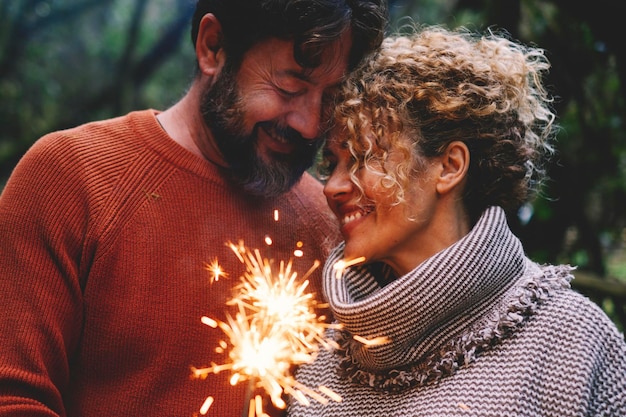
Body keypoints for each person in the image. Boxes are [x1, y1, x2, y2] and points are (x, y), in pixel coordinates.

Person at [0, 1, 387, 416]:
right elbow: (15, 398)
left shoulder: (331, 227)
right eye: (289, 88)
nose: (309, 124)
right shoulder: (70, 178)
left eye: (331, 98)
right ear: (213, 47)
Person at [288, 26, 626, 417]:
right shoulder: (318, 367)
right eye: (332, 164)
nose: (332, 187)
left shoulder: (570, 343)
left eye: (365, 156)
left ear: (449, 167)